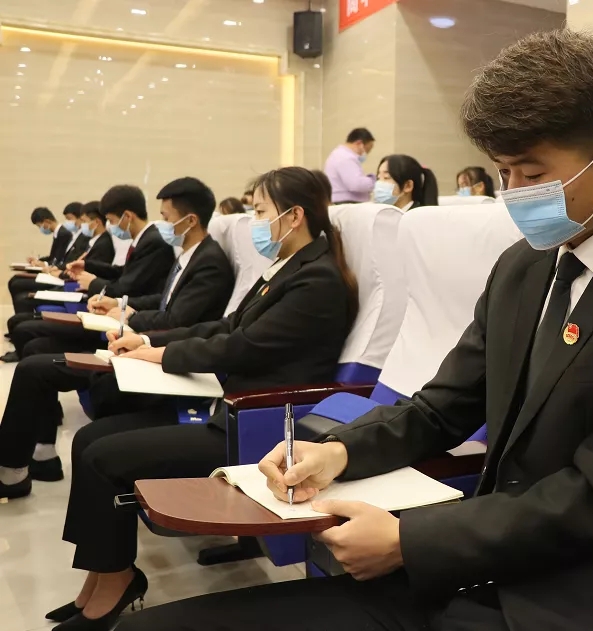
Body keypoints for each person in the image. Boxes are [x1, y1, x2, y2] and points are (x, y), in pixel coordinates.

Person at [118, 29, 593, 631]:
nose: (513, 194)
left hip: (582, 593)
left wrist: (409, 541)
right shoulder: (524, 265)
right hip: (478, 561)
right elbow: (442, 407)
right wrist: (338, 451)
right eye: (502, 173)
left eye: (532, 175)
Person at [40, 166, 357, 631]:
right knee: (89, 442)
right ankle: (103, 575)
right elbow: (227, 327)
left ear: (294, 216)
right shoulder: (288, 269)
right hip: (227, 410)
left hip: (258, 429)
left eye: (260, 212)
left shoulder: (317, 281)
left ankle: (116, 581)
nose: (254, 222)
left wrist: (160, 354)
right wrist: (148, 339)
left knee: (103, 459)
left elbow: (241, 347)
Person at [0, 177, 234, 489]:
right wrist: (122, 305)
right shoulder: (189, 255)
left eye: (166, 218)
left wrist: (132, 319)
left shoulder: (210, 262)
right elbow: (163, 300)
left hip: (160, 354)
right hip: (140, 340)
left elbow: (176, 318)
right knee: (35, 359)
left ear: (190, 220)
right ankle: (31, 460)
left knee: (35, 366)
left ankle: (12, 473)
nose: (163, 224)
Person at [9, 185, 176, 360]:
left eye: (111, 220)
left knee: (30, 339)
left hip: (126, 320)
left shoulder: (153, 242)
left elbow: (126, 287)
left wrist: (93, 283)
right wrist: (88, 265)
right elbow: (122, 272)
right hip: (114, 311)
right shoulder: (144, 240)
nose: (110, 226)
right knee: (28, 334)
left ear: (127, 216)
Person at [3, 203, 117, 362]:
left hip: (79, 292)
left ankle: (22, 342)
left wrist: (64, 272)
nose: (80, 224)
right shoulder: (94, 241)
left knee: (23, 307)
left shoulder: (103, 243)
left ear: (96, 222)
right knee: (20, 298)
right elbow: (73, 263)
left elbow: (94, 273)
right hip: (73, 285)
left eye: (83, 221)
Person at [325, 127, 376, 203]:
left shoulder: (339, 155)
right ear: (359, 143)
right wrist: (374, 180)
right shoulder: (345, 157)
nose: (365, 154)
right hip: (346, 203)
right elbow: (356, 184)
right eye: (366, 150)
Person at [374, 154, 439, 210]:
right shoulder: (381, 214)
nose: (379, 183)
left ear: (408, 186)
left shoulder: (420, 217)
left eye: (386, 177)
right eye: (378, 178)